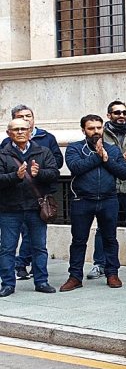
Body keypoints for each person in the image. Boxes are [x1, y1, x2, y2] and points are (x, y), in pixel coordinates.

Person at [61, 114, 126, 291]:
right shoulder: (75, 148)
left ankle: (112, 273)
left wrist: (106, 159)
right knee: (78, 240)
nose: (96, 131)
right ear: (83, 130)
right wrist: (98, 157)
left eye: (99, 128)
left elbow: (124, 173)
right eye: (91, 128)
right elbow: (75, 167)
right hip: (82, 200)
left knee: (110, 239)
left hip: (108, 200)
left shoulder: (113, 150)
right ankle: (75, 276)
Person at [0, 117, 62, 296]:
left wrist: (39, 173)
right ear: (8, 133)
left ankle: (41, 281)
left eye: (23, 129)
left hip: (36, 208)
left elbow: (54, 174)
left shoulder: (43, 152)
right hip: (9, 209)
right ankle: (8, 284)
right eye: (16, 129)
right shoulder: (2, 154)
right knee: (7, 248)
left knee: (39, 247)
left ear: (30, 131)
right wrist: (15, 176)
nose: (20, 132)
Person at [98, 99, 126, 276]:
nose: (121, 116)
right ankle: (100, 264)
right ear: (109, 115)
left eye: (124, 112)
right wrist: (118, 159)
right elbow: (97, 159)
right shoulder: (101, 135)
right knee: (104, 227)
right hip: (108, 188)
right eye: (117, 113)